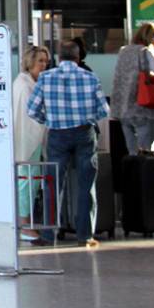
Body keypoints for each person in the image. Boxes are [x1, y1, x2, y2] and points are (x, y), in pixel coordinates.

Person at [27, 40, 110, 247]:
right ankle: (85, 235)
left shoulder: (46, 78)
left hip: (57, 135)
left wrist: (50, 121)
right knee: (86, 185)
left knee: (52, 185)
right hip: (84, 134)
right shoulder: (90, 78)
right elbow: (104, 111)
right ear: (78, 57)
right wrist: (87, 118)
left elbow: (32, 109)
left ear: (59, 57)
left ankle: (48, 236)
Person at [111, 23, 154, 153]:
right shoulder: (146, 52)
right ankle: (144, 173)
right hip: (142, 109)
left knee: (132, 152)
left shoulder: (123, 51)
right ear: (152, 38)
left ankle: (133, 173)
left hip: (124, 111)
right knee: (145, 152)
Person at [13, 46, 50, 240]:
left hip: (32, 140)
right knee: (27, 181)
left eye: (46, 61)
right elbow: (30, 116)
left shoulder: (29, 83)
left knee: (30, 181)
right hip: (28, 140)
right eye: (40, 61)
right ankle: (24, 224)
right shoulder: (24, 85)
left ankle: (26, 222)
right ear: (30, 63)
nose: (44, 65)